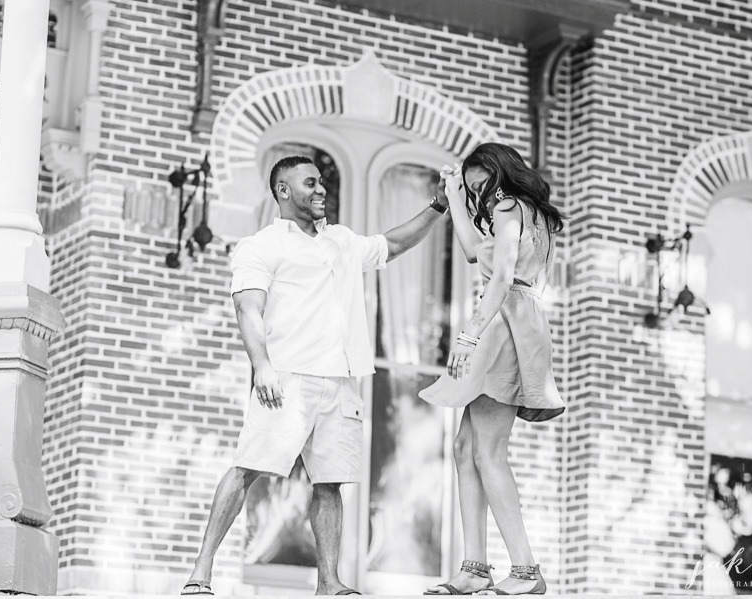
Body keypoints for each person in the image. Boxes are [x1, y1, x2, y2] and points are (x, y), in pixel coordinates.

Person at [181, 155, 452, 596]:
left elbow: (393, 244)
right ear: (284, 191)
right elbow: (248, 307)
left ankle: (329, 582)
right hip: (286, 380)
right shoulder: (261, 245)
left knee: (330, 484)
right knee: (246, 469)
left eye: (322, 181)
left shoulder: (342, 242)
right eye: (311, 182)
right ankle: (200, 572)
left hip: (340, 382)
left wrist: (438, 206)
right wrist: (262, 365)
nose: (321, 188)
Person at [419, 143, 566, 596]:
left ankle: (525, 570)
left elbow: (500, 277)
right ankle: (475, 568)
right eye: (475, 188)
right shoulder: (529, 212)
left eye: (483, 184)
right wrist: (453, 192)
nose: (482, 194)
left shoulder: (508, 206)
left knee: (488, 451)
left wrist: (469, 335)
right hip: (519, 318)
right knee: (467, 447)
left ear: (502, 173)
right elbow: (471, 251)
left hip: (503, 321)